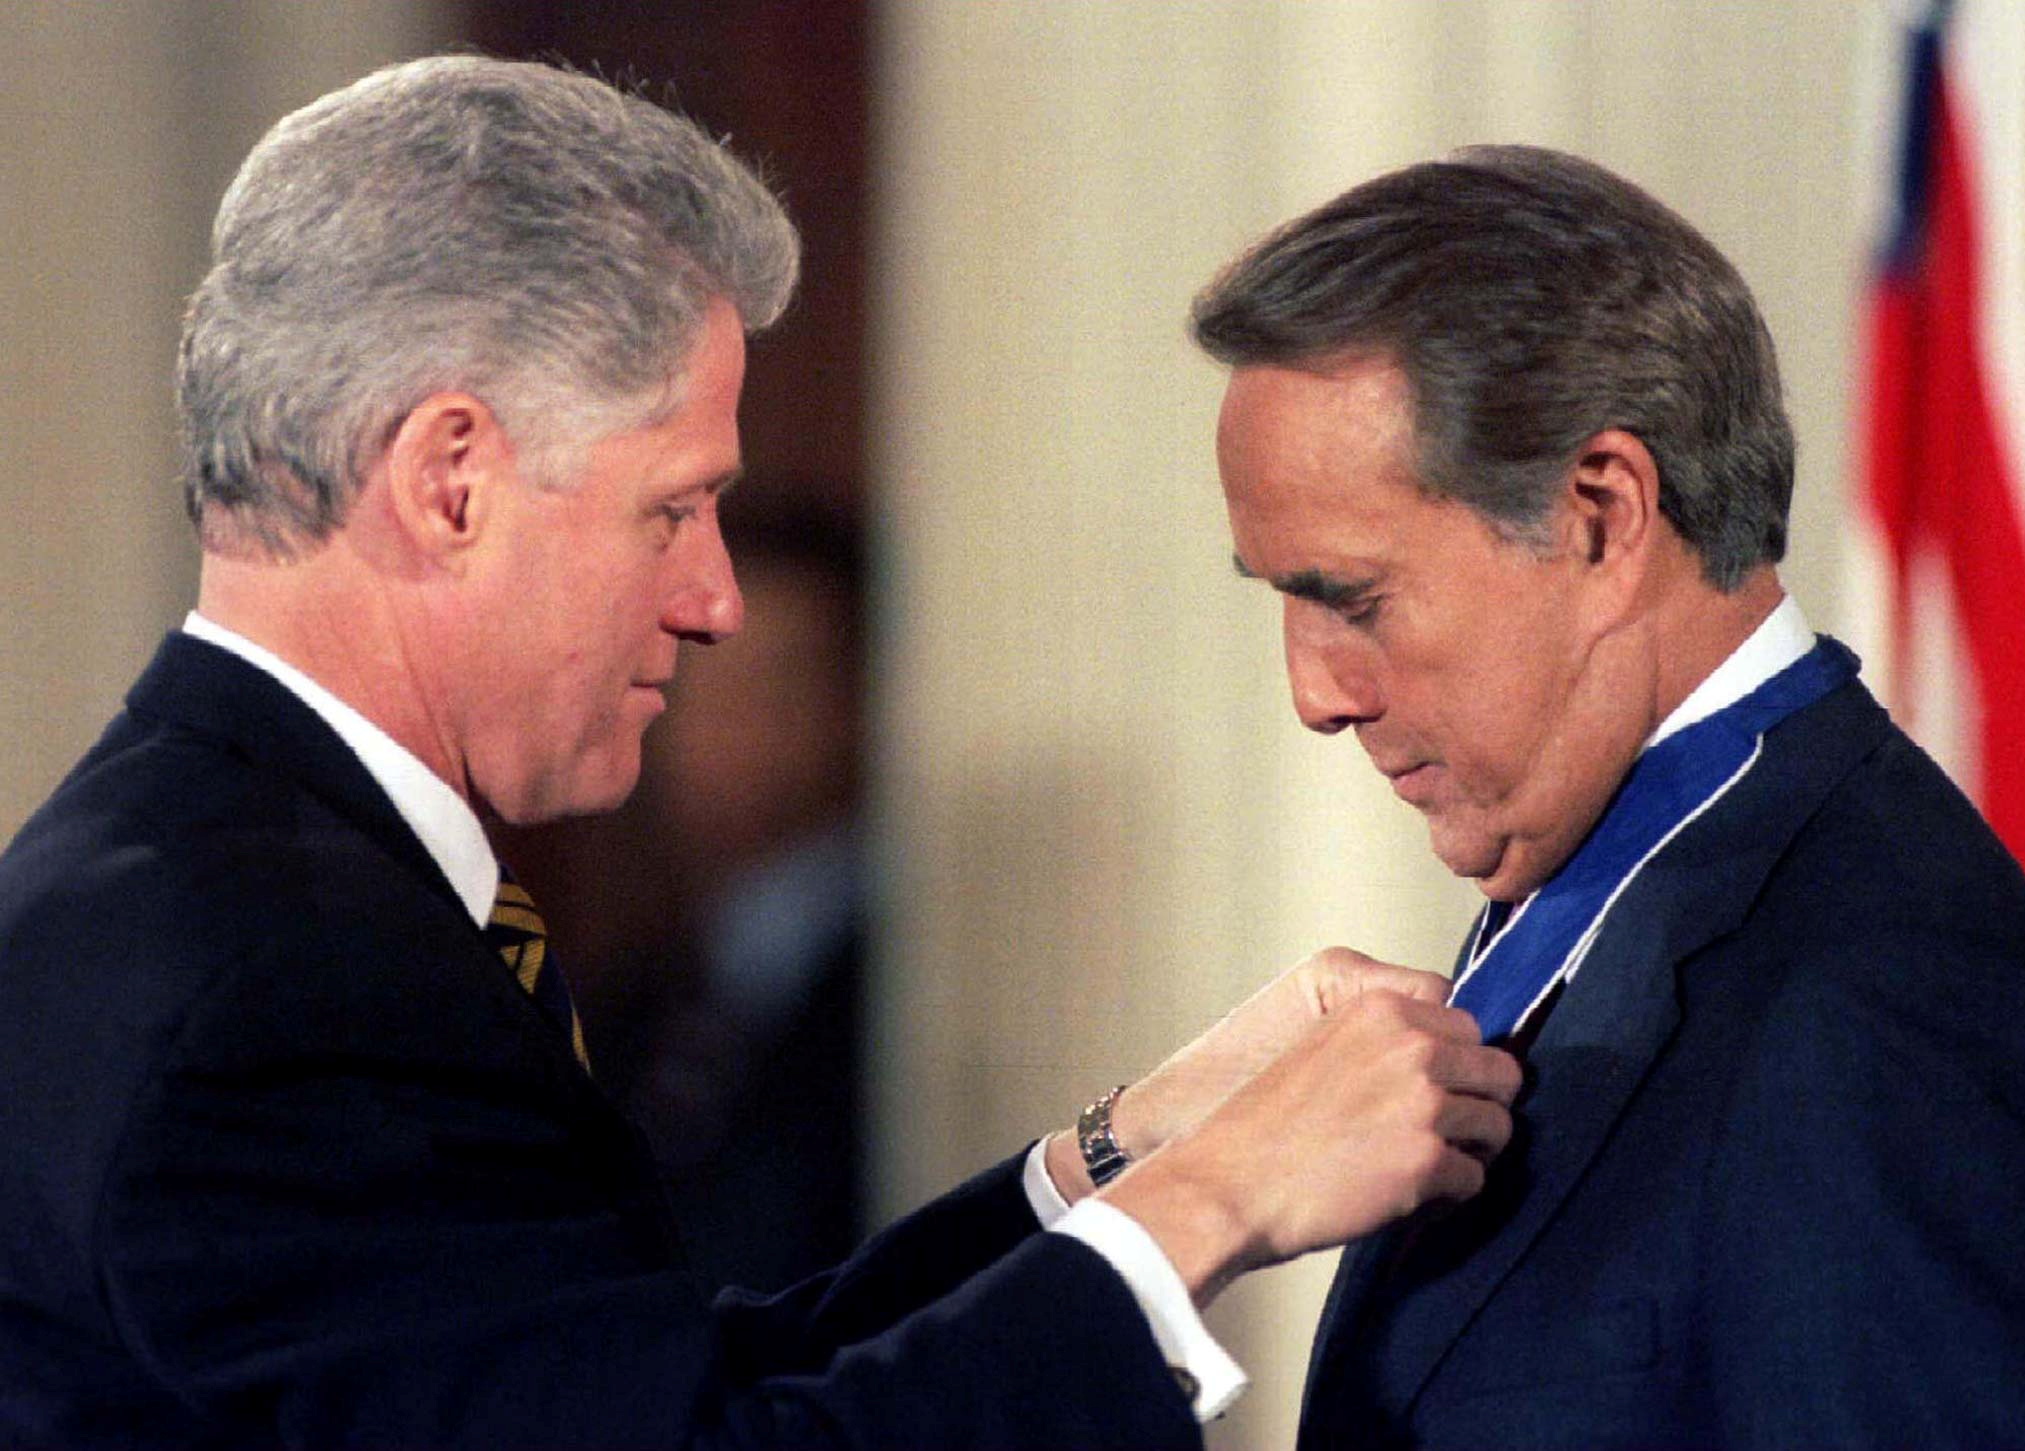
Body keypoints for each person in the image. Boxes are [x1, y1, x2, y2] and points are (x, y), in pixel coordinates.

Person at [0, 58, 1525, 1449]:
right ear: (450, 482)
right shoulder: (275, 980)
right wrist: (1225, 1196)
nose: (714, 599)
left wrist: (1128, 1151)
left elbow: (651, 1401)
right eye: (671, 509)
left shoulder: (204, 880)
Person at [1191, 144, 2025, 1449]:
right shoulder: (1610, 886)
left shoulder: (1877, 1008)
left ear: (1600, 517)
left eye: (1352, 601)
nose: (1314, 694)